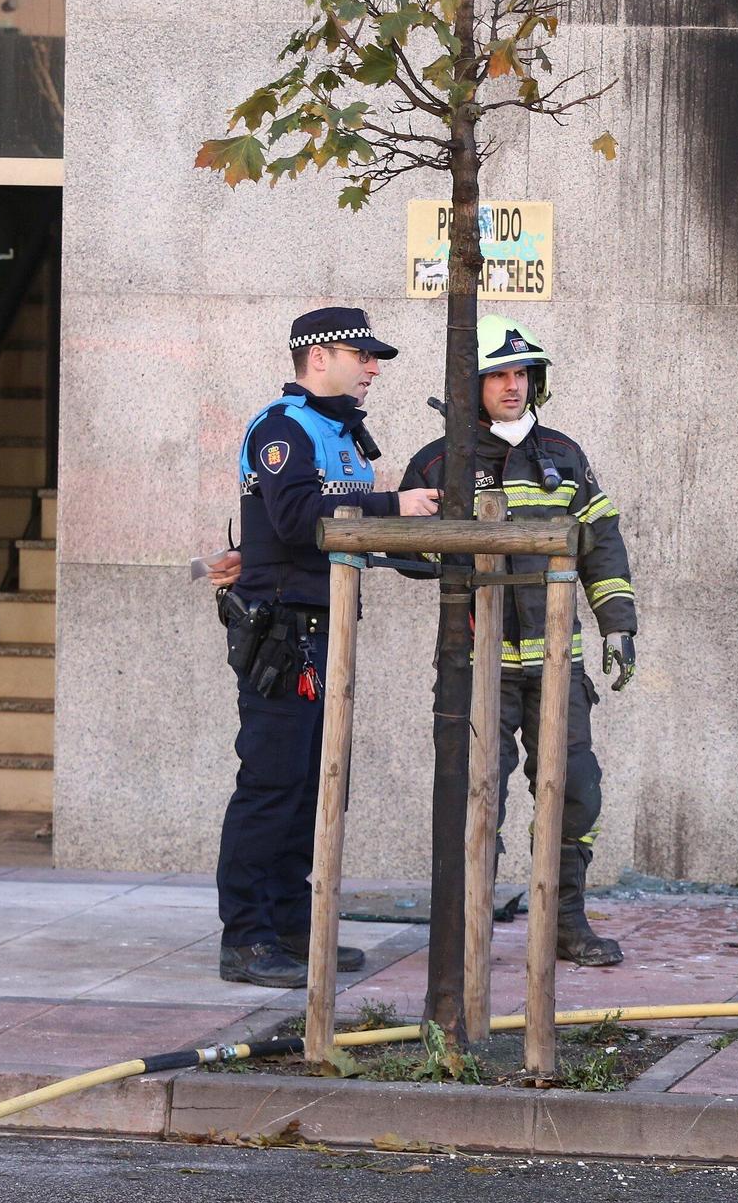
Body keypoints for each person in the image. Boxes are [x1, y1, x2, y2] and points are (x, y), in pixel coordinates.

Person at [397, 314, 638, 967]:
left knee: (578, 790)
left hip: (559, 666)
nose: (512, 385)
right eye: (497, 374)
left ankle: (565, 920)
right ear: (471, 384)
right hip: (478, 668)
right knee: (478, 797)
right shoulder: (440, 459)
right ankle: (465, 932)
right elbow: (404, 550)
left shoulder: (564, 454)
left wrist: (618, 624)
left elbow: (603, 541)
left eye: (521, 372)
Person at [214, 307, 440, 987]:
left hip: (324, 633)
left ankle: (287, 925)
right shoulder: (285, 428)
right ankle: (247, 938)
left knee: (312, 788)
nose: (373, 369)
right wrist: (391, 507)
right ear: (319, 358)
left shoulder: (340, 433)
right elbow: (294, 519)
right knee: (271, 785)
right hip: (285, 635)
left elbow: (342, 529)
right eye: (362, 355)